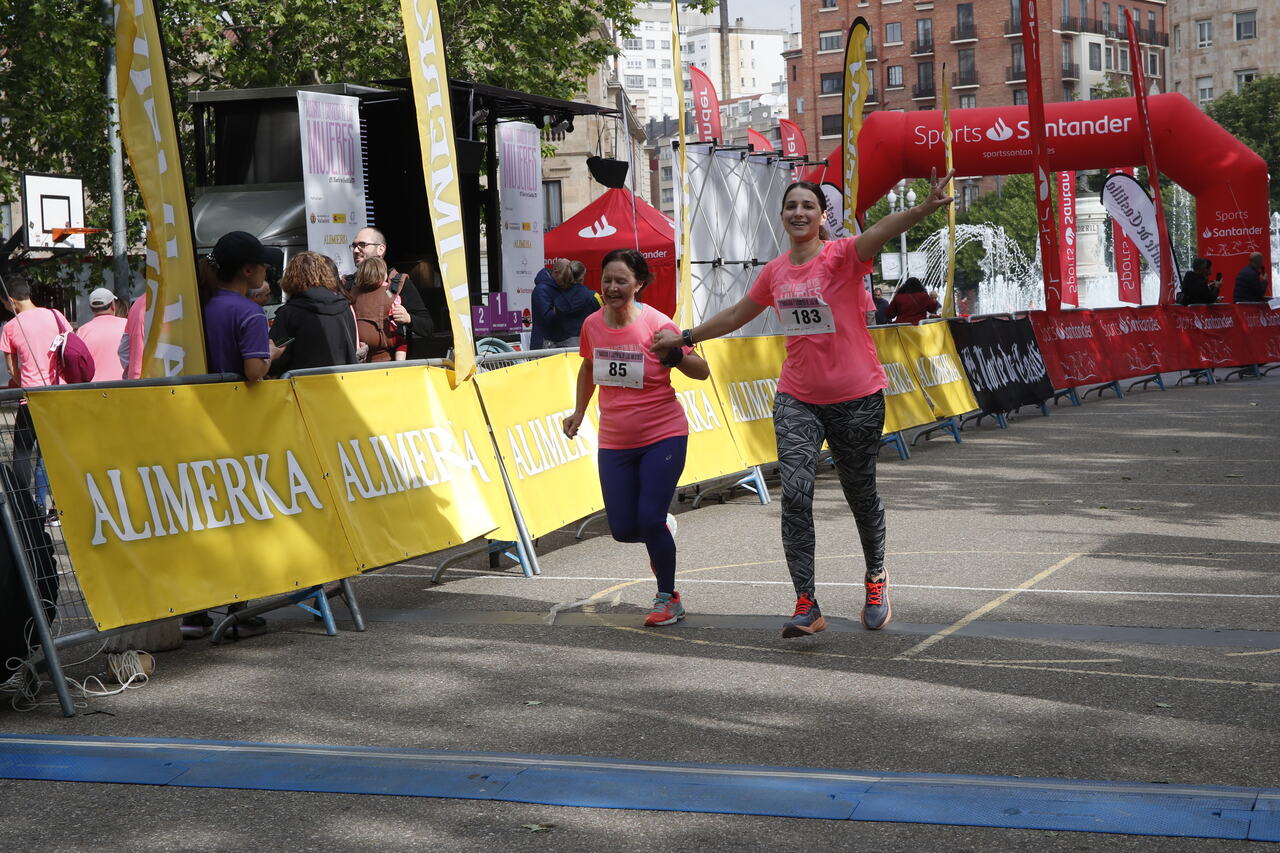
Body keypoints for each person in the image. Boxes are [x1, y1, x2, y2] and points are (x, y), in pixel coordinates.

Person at [652, 172, 954, 637]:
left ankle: (876, 576)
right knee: (795, 495)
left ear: (821, 216)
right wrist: (686, 337)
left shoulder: (843, 257)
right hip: (798, 400)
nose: (798, 212)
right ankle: (806, 603)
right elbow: (736, 314)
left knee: (860, 492)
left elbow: (881, 231)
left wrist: (922, 209)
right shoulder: (774, 272)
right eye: (791, 206)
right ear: (782, 217)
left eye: (807, 206)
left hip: (857, 397)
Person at [563, 249, 710, 627]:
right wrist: (579, 412)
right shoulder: (592, 324)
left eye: (621, 281)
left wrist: (674, 354)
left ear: (638, 284)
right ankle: (660, 527)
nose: (612, 287)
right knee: (624, 529)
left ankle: (668, 598)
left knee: (647, 518)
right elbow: (587, 367)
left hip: (663, 433)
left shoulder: (658, 324)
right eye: (607, 280)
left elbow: (702, 371)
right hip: (615, 440)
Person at [0, 275, 74, 525]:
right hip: (59, 395)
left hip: (31, 398)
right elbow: (72, 348)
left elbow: (11, 369)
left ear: (11, 301)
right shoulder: (55, 315)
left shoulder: (11, 326)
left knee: (22, 451)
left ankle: (23, 507)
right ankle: (66, 505)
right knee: (54, 452)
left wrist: (23, 380)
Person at [202, 231, 285, 382]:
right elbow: (254, 371)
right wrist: (271, 353)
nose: (266, 270)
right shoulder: (252, 312)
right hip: (238, 400)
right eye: (264, 265)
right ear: (248, 270)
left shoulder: (205, 303)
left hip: (207, 396)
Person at [267, 251, 358, 376]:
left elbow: (278, 356)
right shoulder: (344, 307)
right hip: (342, 385)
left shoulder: (289, 313)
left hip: (302, 388)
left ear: (291, 277)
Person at [346, 228, 433, 353]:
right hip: (355, 368)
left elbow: (428, 327)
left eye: (362, 245)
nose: (355, 250)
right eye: (354, 246)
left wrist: (408, 318)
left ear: (381, 249)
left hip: (391, 366)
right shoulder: (348, 284)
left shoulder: (399, 283)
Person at [350, 257, 396, 363]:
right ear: (382, 274)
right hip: (384, 350)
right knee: (402, 342)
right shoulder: (387, 291)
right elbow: (393, 300)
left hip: (358, 346)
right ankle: (401, 364)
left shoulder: (353, 292)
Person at [76, 288, 126, 382]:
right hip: (124, 385)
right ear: (113, 306)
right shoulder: (127, 325)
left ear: (91, 308)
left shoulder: (82, 331)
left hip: (94, 388)